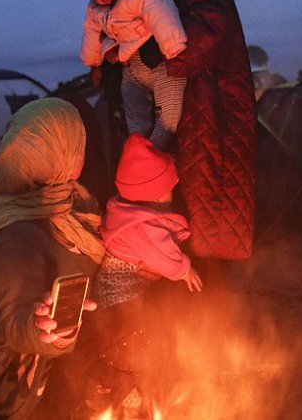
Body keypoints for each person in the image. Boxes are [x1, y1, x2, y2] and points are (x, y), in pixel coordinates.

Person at [0, 98, 105, 419]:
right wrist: (47, 331)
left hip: (66, 361)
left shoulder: (68, 202)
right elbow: (17, 324)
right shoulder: (12, 236)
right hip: (25, 390)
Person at [137, 0, 257, 260]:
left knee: (207, 188)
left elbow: (211, 31)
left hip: (208, 100)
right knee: (194, 190)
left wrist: (164, 54)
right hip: (192, 98)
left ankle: (207, 293)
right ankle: (183, 278)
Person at [89, 132, 203, 414]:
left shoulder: (131, 212)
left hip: (124, 289)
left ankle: (137, 385)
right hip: (121, 293)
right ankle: (128, 392)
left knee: (135, 336)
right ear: (151, 193)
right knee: (133, 339)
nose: (171, 193)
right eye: (167, 188)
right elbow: (161, 256)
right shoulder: (141, 227)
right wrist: (185, 270)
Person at [78, 0, 187, 152]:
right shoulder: (97, 9)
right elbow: (90, 33)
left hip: (163, 63)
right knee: (135, 119)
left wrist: (175, 50)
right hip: (132, 67)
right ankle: (139, 153)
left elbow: (161, 14)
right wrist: (94, 63)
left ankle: (154, 155)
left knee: (167, 122)